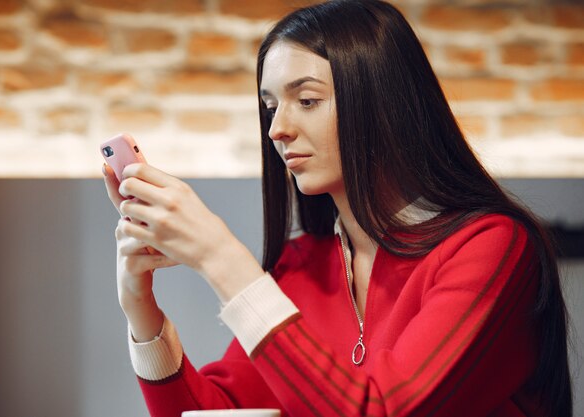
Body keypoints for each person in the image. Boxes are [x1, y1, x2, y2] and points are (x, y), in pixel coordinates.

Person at [102, 1, 573, 416]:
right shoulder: (304, 265)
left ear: (383, 105)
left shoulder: (493, 248)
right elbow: (217, 413)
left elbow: (384, 410)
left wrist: (221, 258)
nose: (277, 129)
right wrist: (141, 311)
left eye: (306, 100)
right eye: (270, 105)